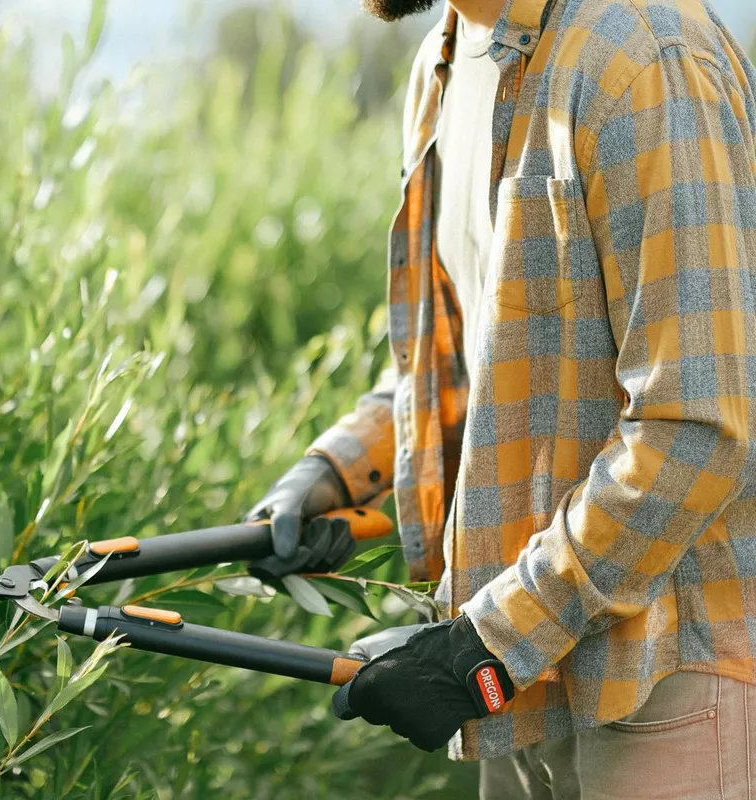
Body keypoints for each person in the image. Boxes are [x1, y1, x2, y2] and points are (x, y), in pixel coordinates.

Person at [245, 0, 756, 796]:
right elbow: (477, 354)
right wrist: (343, 469)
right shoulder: (443, 64)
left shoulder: (645, 58)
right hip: (525, 672)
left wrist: (483, 646)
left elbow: (695, 424)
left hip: (668, 680)